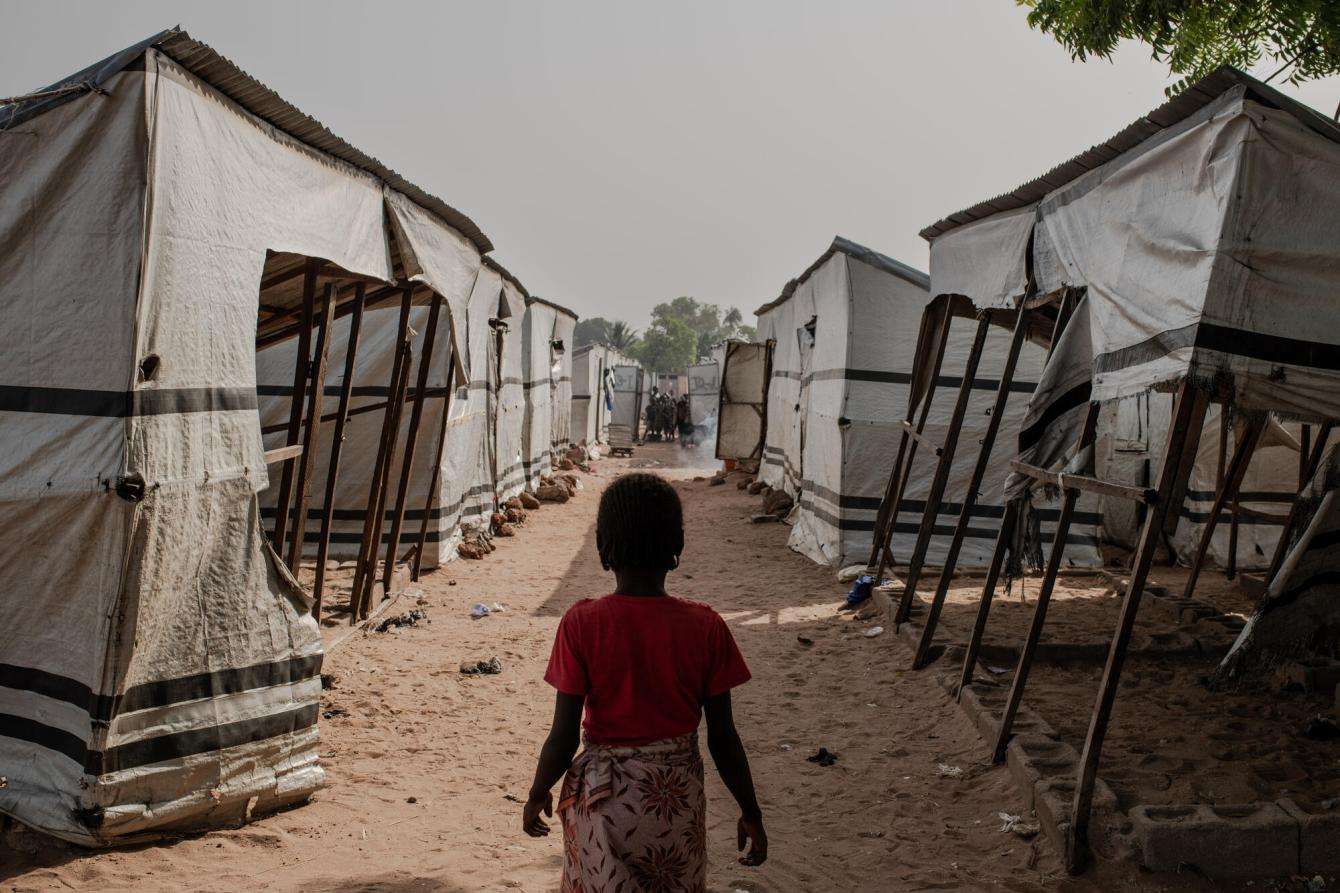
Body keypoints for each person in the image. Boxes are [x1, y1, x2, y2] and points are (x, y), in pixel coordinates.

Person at [522, 473, 767, 891]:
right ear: (677, 545)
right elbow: (723, 737)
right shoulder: (705, 626)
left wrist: (538, 791)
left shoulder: (582, 623)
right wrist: (751, 812)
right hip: (674, 806)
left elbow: (563, 735)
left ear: (604, 547)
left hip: (604, 802)